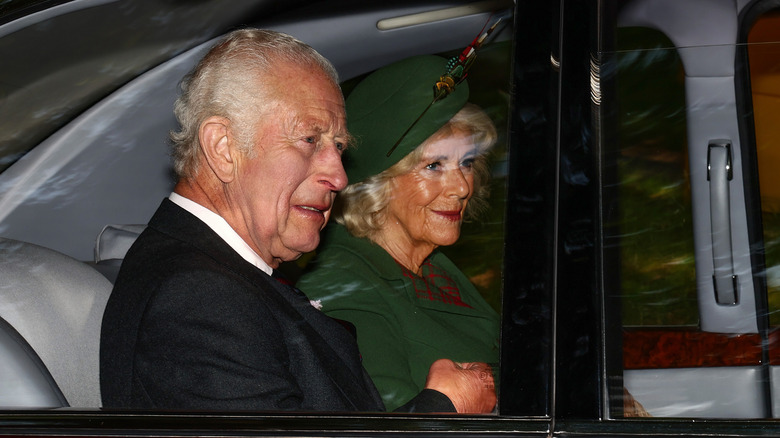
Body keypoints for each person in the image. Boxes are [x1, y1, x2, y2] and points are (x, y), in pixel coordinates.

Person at [99, 29, 496, 413]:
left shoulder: (223, 278)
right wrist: (444, 410)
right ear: (223, 148)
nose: (339, 177)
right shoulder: (197, 297)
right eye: (310, 140)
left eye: (338, 147)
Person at [296, 55, 500, 411]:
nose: (462, 187)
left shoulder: (430, 266)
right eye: (434, 165)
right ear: (378, 184)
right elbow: (387, 429)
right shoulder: (343, 287)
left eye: (466, 162)